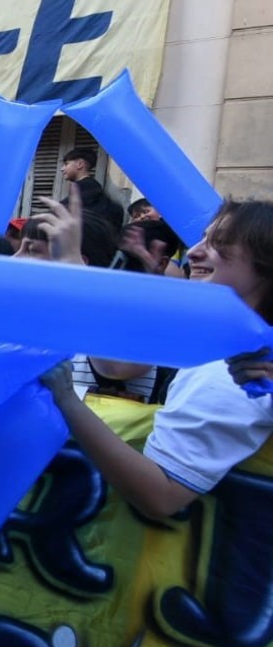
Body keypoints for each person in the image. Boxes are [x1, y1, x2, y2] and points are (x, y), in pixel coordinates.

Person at [44, 199, 273, 521]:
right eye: (203, 238)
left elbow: (162, 496)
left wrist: (65, 398)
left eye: (219, 244)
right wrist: (73, 267)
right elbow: (122, 348)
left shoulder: (233, 376)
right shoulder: (230, 348)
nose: (193, 252)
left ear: (265, 265)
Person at [60, 148, 123, 229]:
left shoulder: (86, 190)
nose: (62, 169)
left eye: (66, 164)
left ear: (80, 164)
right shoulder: (97, 191)